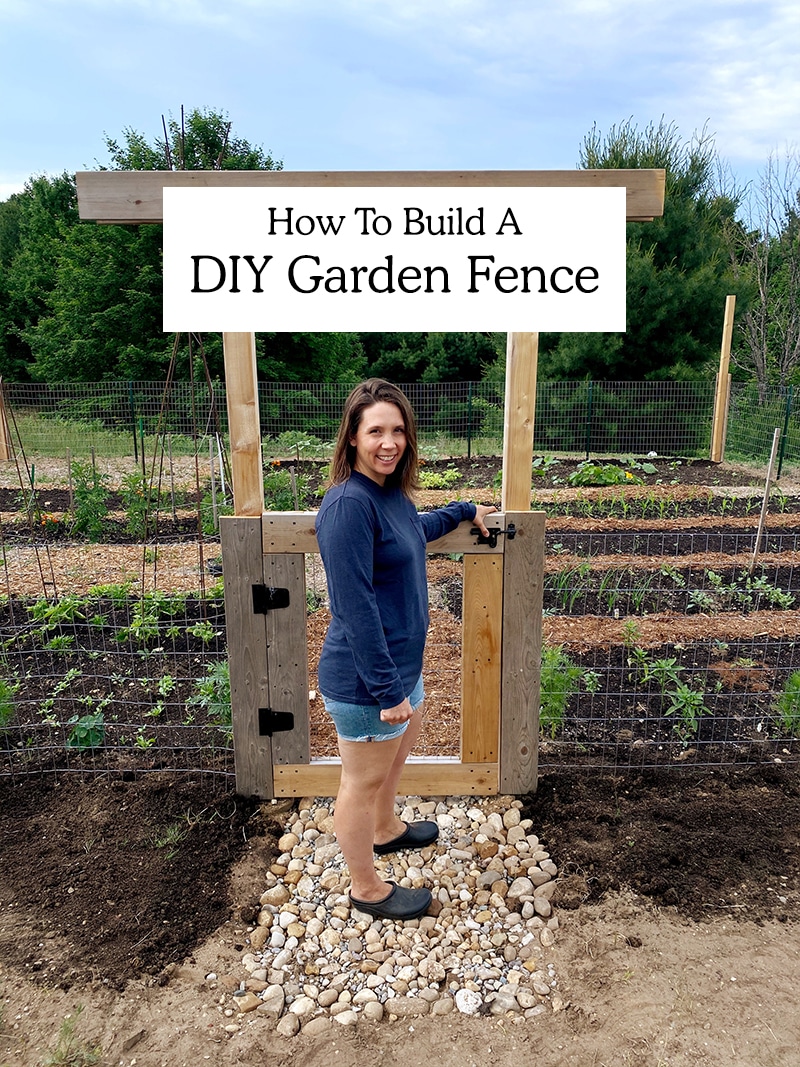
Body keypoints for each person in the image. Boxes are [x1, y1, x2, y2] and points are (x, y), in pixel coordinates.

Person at [315, 379, 497, 921]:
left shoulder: (387, 494)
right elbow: (353, 607)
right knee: (360, 780)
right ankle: (365, 888)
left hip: (399, 671)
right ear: (351, 438)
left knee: (392, 763)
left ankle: (386, 827)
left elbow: (414, 531)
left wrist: (464, 509)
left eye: (397, 430)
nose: (388, 442)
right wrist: (387, 689)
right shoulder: (347, 505)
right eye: (375, 431)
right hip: (369, 680)